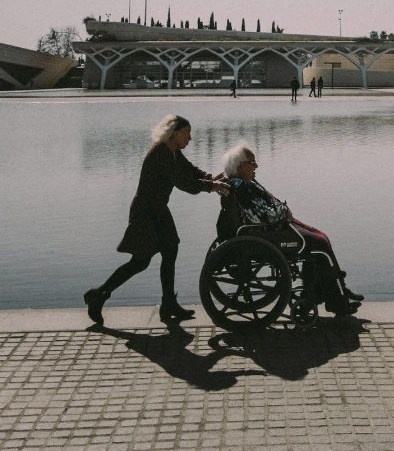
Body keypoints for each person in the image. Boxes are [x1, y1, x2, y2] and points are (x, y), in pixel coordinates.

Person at [83, 115, 229, 326]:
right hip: (145, 212)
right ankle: (99, 294)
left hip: (158, 209)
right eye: (187, 134)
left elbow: (190, 171)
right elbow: (182, 182)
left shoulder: (173, 151)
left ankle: (168, 303)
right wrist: (211, 186)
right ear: (176, 134)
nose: (190, 139)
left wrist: (212, 177)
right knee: (140, 262)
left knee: (171, 249)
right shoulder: (160, 153)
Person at [218, 143, 362, 317]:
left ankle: (336, 291)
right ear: (241, 166)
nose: (256, 166)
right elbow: (265, 216)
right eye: (253, 163)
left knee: (320, 238)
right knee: (319, 243)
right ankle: (332, 297)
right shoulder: (242, 186)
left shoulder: (240, 183)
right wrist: (284, 211)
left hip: (267, 230)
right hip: (267, 233)